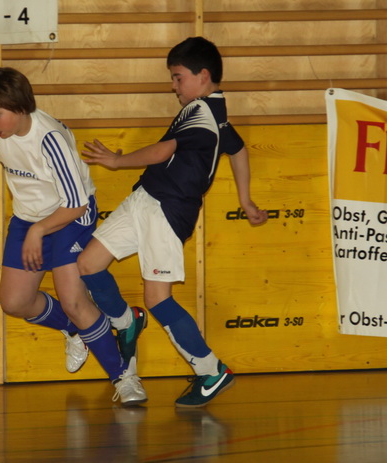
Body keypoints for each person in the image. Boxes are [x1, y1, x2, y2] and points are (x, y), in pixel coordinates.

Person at [77, 37, 268, 408]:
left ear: (203, 76)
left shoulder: (202, 112)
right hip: (145, 198)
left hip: (167, 211)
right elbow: (238, 150)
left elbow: (165, 149)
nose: (174, 86)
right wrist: (245, 200)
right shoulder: (214, 113)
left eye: (178, 78)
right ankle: (126, 321)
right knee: (88, 264)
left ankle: (211, 371)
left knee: (157, 298)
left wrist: (117, 161)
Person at [0, 66, 147, 405]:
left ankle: (125, 376)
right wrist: (33, 226)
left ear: (20, 108)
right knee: (14, 302)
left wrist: (38, 231)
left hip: (71, 217)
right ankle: (75, 328)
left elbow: (76, 204)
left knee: (74, 300)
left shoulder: (49, 139)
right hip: (30, 218)